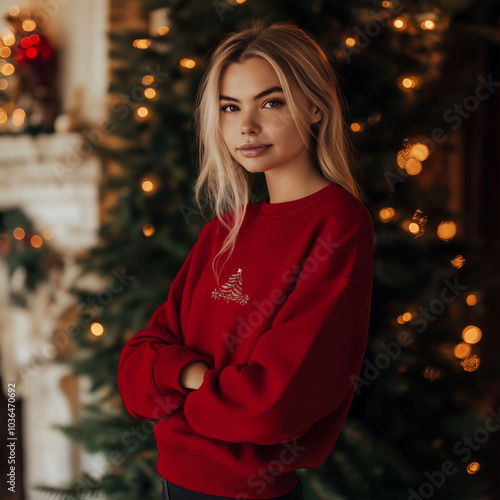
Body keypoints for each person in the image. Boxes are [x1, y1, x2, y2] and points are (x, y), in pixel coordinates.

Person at [118, 17, 374, 500]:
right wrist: (200, 381)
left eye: (271, 103)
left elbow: (274, 404)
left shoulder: (339, 222)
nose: (247, 126)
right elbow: (136, 368)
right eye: (230, 108)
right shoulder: (224, 229)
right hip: (175, 483)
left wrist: (183, 385)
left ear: (315, 107)